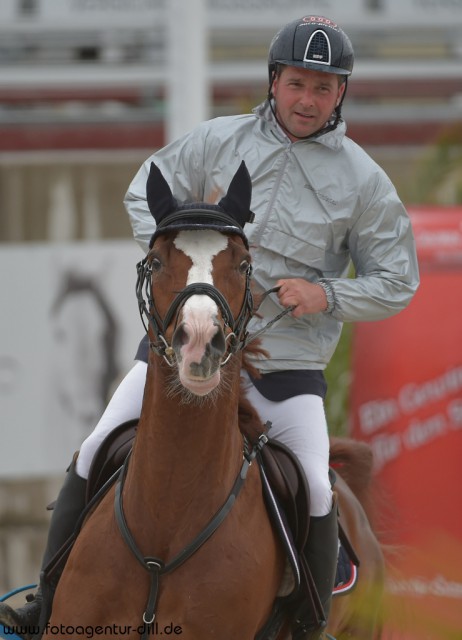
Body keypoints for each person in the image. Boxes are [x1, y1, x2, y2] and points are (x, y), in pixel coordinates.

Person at [1, 15, 419, 639]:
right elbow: (146, 191)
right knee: (94, 450)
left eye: (323, 88)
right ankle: (46, 602)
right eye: (297, 83)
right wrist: (178, 258)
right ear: (274, 81)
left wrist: (325, 292)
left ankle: (308, 624)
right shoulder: (216, 141)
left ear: (341, 95)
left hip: (285, 366)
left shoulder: (364, 183)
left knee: (313, 482)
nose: (307, 100)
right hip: (182, 350)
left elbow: (398, 280)